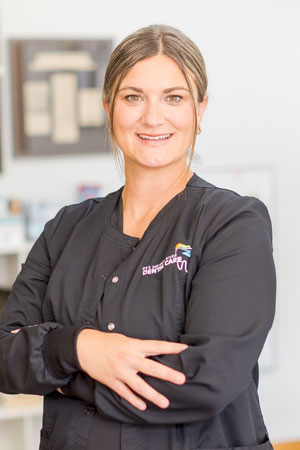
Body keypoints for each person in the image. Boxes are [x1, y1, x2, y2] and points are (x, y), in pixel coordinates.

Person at [0, 24, 276, 450]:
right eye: (133, 97)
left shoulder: (233, 223)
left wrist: (62, 368)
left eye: (174, 97)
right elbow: (4, 354)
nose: (152, 117)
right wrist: (80, 347)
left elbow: (206, 380)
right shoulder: (65, 228)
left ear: (200, 109)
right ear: (108, 107)